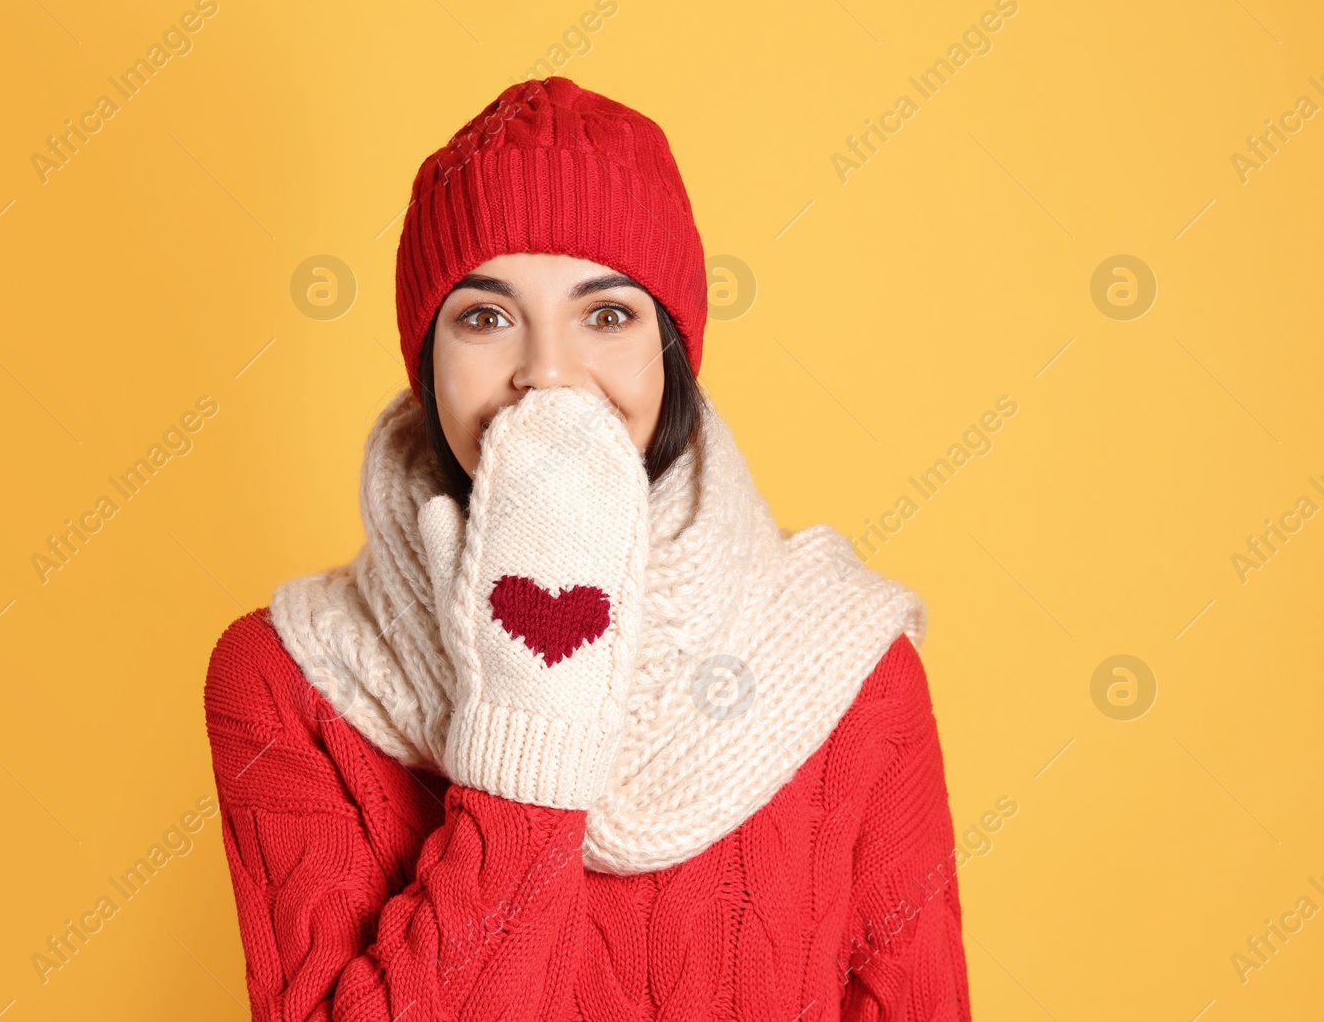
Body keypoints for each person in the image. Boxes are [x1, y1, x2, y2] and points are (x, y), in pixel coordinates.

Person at [204, 76, 972, 1020]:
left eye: (606, 315)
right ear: (425, 361)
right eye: (485, 317)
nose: (548, 374)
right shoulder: (290, 681)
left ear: (674, 351)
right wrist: (534, 722)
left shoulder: (846, 668)